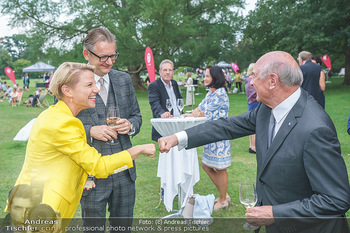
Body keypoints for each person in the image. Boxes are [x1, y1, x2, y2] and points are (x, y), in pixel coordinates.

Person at [158, 51, 350, 233]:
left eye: (255, 76)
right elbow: (226, 126)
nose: (249, 80)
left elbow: (335, 199)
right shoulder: (267, 109)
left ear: (273, 80)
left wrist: (275, 213)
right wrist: (178, 137)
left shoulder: (315, 129)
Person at [8, 62, 155, 228]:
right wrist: (138, 150)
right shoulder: (63, 124)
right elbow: (99, 166)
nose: (97, 90)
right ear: (67, 91)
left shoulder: (54, 114)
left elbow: (65, 159)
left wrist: (84, 176)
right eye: (89, 85)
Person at [76, 28, 143, 232]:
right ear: (87, 54)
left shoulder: (123, 80)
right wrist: (90, 130)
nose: (110, 61)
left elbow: (137, 117)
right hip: (91, 176)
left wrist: (130, 125)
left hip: (124, 172)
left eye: (113, 56)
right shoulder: (72, 82)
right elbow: (61, 126)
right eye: (103, 57)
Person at [184, 65, 231, 211]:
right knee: (206, 166)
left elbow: (207, 113)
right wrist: (196, 112)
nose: (204, 79)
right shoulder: (210, 93)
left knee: (220, 168)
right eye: (204, 76)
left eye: (207, 76)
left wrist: (198, 112)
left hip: (220, 136)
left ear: (215, 78)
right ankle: (224, 194)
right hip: (210, 135)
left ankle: (223, 200)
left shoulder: (220, 94)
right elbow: (199, 109)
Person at [148, 59, 183, 141]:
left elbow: (179, 101)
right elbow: (154, 103)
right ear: (160, 72)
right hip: (165, 125)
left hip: (178, 123)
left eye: (170, 70)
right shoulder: (154, 86)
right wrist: (162, 113)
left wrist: (182, 113)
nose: (168, 72)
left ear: (173, 72)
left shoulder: (174, 84)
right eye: (165, 70)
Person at [245, 63, 258, 154]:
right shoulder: (252, 81)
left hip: (250, 103)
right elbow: (257, 93)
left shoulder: (247, 80)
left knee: (252, 125)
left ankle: (251, 145)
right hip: (255, 102)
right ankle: (254, 147)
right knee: (255, 126)